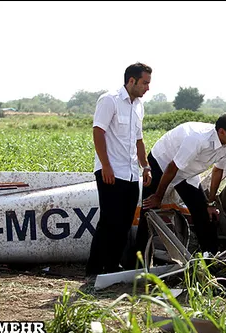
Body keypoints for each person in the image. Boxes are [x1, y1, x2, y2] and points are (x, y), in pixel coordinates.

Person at [132, 113, 226, 265]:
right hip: (163, 163)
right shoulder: (198, 139)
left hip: (188, 172)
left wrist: (210, 203)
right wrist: (158, 196)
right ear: (222, 132)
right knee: (148, 211)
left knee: (203, 213)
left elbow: (218, 171)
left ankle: (210, 259)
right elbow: (172, 168)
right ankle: (137, 263)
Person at [85, 62, 153, 277]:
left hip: (131, 174)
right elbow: (98, 132)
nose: (147, 88)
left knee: (124, 223)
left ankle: (112, 267)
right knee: (109, 221)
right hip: (111, 171)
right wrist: (105, 166)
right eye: (144, 83)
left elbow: (139, 140)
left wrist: (145, 166)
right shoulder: (109, 100)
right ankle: (94, 270)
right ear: (131, 80)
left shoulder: (139, 105)